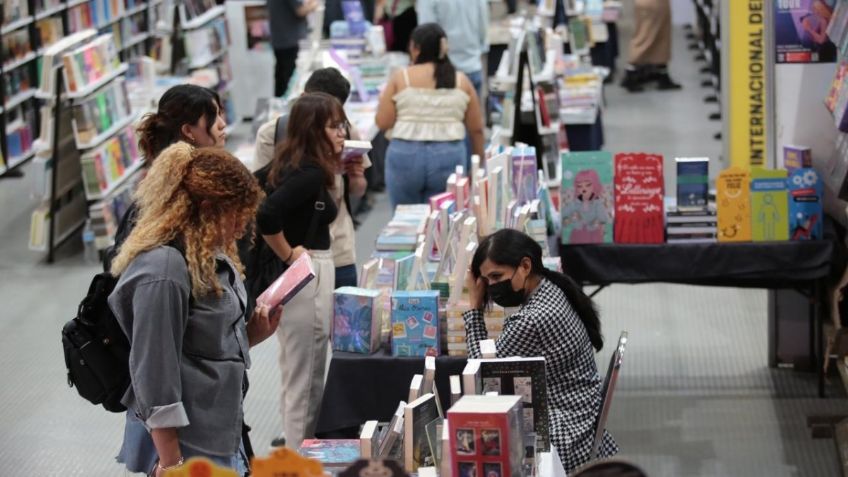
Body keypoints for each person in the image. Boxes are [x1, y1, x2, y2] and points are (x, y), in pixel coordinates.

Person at [108, 144, 277, 476]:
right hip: (190, 446)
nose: (242, 229)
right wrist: (173, 464)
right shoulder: (164, 271)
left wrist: (250, 335)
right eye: (235, 216)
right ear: (205, 208)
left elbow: (204, 342)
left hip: (220, 429)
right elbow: (154, 375)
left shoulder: (205, 256)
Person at [463, 229, 618, 473]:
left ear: (525, 265)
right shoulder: (552, 287)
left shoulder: (532, 320)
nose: (491, 287)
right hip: (582, 414)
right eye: (486, 280)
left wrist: (474, 309)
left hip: (563, 433)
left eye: (496, 276)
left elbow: (481, 376)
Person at [255, 93, 346, 449]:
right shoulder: (309, 172)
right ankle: (299, 460)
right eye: (334, 126)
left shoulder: (288, 163)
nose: (341, 133)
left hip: (293, 279)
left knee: (296, 376)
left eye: (342, 125)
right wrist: (290, 252)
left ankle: (296, 454)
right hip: (306, 276)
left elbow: (254, 191)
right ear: (313, 129)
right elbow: (266, 214)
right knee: (306, 382)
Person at [253, 68, 370, 290]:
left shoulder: (345, 134)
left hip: (339, 249)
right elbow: (264, 204)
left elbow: (358, 189)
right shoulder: (274, 134)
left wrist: (355, 174)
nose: (340, 131)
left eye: (339, 120)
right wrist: (288, 254)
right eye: (330, 122)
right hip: (297, 253)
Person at [105, 84, 227, 270]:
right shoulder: (186, 190)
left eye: (220, 113)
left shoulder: (170, 178)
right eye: (213, 116)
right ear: (188, 131)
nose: (222, 123)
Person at [376, 23, 484, 208]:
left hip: (405, 155)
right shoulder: (461, 80)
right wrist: (477, 165)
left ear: (416, 48)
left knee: (404, 220)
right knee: (445, 222)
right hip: (449, 154)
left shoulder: (401, 78)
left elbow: (383, 122)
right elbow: (477, 129)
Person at [416, 0, 489, 100]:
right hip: (472, 66)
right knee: (473, 114)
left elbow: (426, 35)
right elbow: (483, 27)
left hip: (441, 73)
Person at [620, 0, 681, 92]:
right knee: (647, 37)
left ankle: (662, 74)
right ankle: (630, 73)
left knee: (659, 36)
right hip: (655, 4)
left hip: (646, 3)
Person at [269, 0, 319, 97]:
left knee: (281, 77)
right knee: (288, 81)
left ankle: (280, 104)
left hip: (281, 38)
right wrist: (315, 4)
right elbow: (300, 11)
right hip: (289, 40)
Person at [561, 169, 609, 243]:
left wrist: (597, 202)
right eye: (580, 186)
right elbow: (563, 213)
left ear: (595, 186)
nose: (584, 189)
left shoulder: (597, 203)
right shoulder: (576, 203)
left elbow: (603, 219)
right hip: (578, 234)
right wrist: (571, 218)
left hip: (593, 234)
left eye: (588, 185)